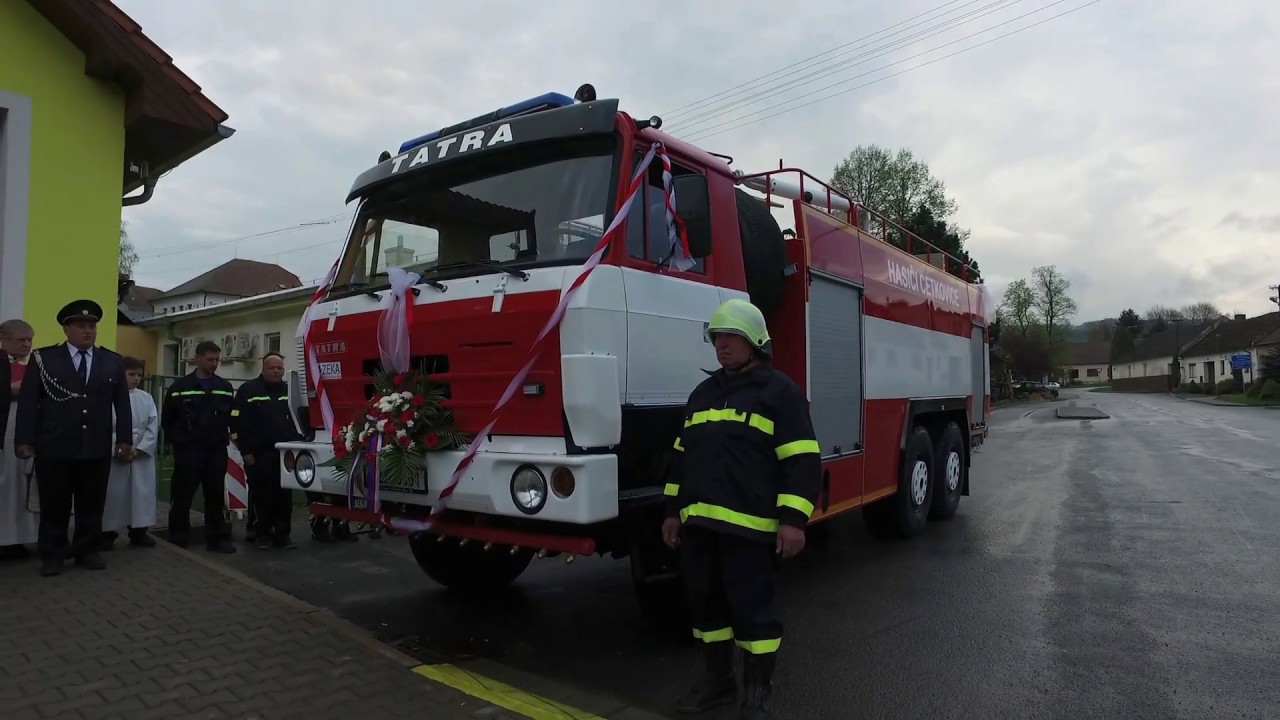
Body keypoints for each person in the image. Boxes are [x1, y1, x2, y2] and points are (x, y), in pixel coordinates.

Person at [661, 298, 821, 719]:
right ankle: (718, 682)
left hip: (749, 535)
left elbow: (802, 460)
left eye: (730, 336)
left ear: (755, 341)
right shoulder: (703, 392)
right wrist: (673, 511)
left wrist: (793, 522)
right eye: (717, 338)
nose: (721, 345)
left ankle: (756, 693)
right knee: (705, 610)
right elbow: (681, 456)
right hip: (700, 532)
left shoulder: (779, 393)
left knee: (754, 615)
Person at [15, 300, 132, 576]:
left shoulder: (112, 361)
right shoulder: (44, 359)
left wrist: (124, 439)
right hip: (54, 444)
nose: (88, 331)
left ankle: (86, 550)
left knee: (91, 503)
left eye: (92, 326)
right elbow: (29, 402)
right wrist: (24, 439)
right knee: (54, 503)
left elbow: (122, 404)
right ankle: (53, 554)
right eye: (81, 326)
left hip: (95, 444)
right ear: (66, 329)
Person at [162, 340, 236, 554]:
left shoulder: (224, 387)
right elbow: (168, 420)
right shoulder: (179, 388)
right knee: (182, 495)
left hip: (215, 450)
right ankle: (178, 536)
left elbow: (230, 417)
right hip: (189, 450)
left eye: (217, 360)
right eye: (210, 359)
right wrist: (179, 441)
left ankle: (217, 538)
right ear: (197, 358)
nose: (214, 364)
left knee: (214, 495)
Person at [230, 352, 301, 550]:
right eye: (272, 368)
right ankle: (262, 534)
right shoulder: (248, 390)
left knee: (284, 496)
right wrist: (246, 451)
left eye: (279, 368)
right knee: (262, 495)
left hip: (285, 454)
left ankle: (283, 535)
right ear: (263, 369)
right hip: (259, 454)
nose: (276, 371)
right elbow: (237, 421)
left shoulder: (290, 391)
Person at [101, 356, 160, 549]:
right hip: (117, 450)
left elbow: (153, 424)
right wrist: (117, 448)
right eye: (131, 374)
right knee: (114, 494)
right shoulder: (108, 396)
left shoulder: (146, 397)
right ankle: (107, 532)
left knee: (141, 493)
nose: (136, 378)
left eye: (139, 375)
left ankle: (139, 531)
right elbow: (103, 425)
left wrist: (142, 448)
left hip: (140, 452)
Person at [0, 319, 38, 559]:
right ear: (3, 339)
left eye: (29, 340)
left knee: (23, 485)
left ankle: (19, 539)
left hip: (26, 432)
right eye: (20, 339)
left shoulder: (35, 364)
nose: (26, 344)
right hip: (4, 432)